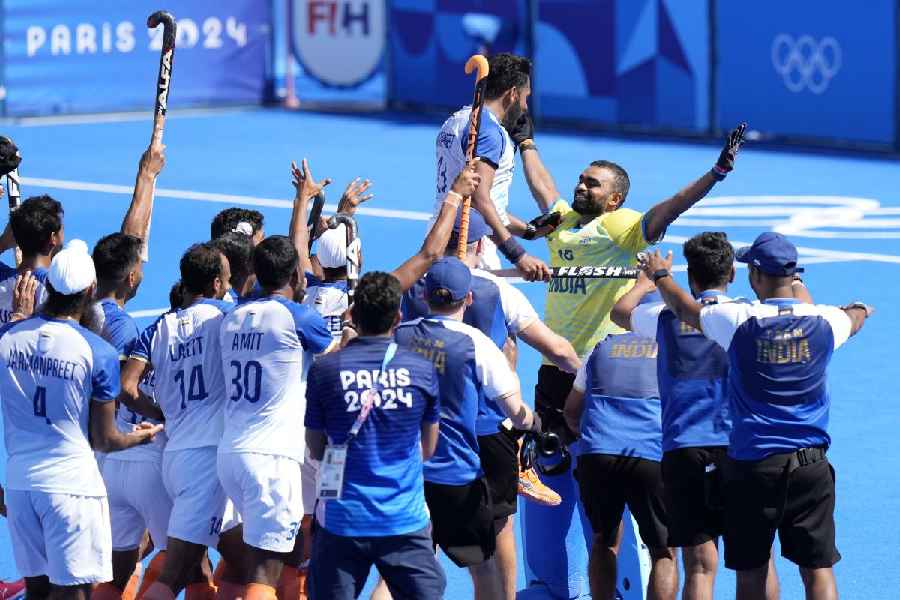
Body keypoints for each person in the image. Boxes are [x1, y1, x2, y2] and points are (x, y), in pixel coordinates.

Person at [519, 123, 748, 598]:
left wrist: (716, 173)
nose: (581, 186)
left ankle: (628, 582)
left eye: (593, 184)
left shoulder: (622, 227)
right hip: (554, 372)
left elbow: (670, 208)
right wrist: (526, 142)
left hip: (605, 372)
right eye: (581, 179)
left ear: (614, 200)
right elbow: (542, 186)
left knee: (615, 489)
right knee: (552, 473)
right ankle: (551, 585)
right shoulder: (561, 221)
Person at [640, 232, 872, 600]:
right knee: (818, 570)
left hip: (754, 467)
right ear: (792, 275)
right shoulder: (826, 321)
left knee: (752, 570)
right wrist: (858, 307)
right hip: (811, 465)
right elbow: (855, 317)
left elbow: (685, 309)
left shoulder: (739, 319)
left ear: (756, 276)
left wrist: (660, 276)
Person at [401, 210, 580, 600]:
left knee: (418, 539)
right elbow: (557, 350)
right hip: (487, 432)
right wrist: (589, 376)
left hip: (420, 439)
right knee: (497, 530)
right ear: (481, 244)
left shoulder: (411, 289)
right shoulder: (499, 292)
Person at [611, 232, 781, 600]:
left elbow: (619, 313)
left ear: (690, 276)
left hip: (684, 449)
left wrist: (646, 282)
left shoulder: (662, 316)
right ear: (732, 275)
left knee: (700, 565)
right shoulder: (747, 316)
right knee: (760, 559)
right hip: (742, 450)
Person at [0, 240, 162, 600]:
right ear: (91, 290)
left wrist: (17, 321)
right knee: (74, 593)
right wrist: (142, 436)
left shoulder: (7, 339)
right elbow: (105, 440)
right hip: (71, 485)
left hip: (20, 483)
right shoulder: (98, 351)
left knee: (37, 592)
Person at [395, 257, 543, 598]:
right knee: (483, 568)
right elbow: (515, 412)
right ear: (469, 299)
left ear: (424, 296)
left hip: (407, 474)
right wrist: (533, 422)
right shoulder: (478, 344)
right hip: (456, 475)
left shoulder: (399, 336)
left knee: (399, 575)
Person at [304, 272, 445, 600]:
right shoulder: (422, 370)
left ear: (352, 315)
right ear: (398, 318)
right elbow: (428, 448)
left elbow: (316, 446)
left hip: (341, 520)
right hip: (403, 519)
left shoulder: (325, 371)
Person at [121, 243, 245, 600]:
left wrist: (161, 413)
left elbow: (127, 387)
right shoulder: (227, 316)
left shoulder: (158, 328)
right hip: (206, 462)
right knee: (174, 574)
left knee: (244, 565)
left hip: (176, 458)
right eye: (227, 279)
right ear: (217, 284)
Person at [218, 233, 334, 600]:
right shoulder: (299, 317)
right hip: (272, 458)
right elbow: (335, 363)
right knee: (266, 570)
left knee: (256, 559)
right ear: (297, 275)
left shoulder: (233, 317)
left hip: (231, 453)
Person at [564, 294, 677, 600]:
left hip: (598, 453)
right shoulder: (673, 350)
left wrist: (594, 438)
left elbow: (571, 411)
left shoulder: (600, 348)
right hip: (651, 454)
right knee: (664, 551)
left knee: (604, 540)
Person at [433, 52, 550, 280]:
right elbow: (479, 200)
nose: (525, 106)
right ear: (513, 94)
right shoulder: (489, 132)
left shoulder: (455, 120)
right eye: (525, 97)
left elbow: (481, 200)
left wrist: (529, 231)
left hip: (442, 233)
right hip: (472, 243)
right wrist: (518, 255)